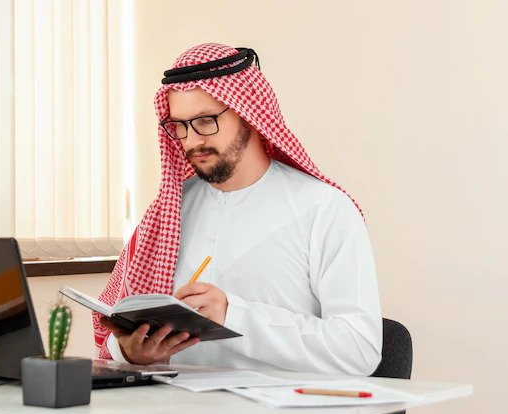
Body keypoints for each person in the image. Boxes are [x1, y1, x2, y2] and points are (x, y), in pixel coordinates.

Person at [95, 43, 382, 375]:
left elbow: (358, 350)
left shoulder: (324, 209)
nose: (192, 141)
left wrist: (233, 315)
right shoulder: (169, 210)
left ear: (249, 113)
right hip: (176, 399)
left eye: (206, 121)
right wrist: (130, 352)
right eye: (181, 126)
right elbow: (119, 330)